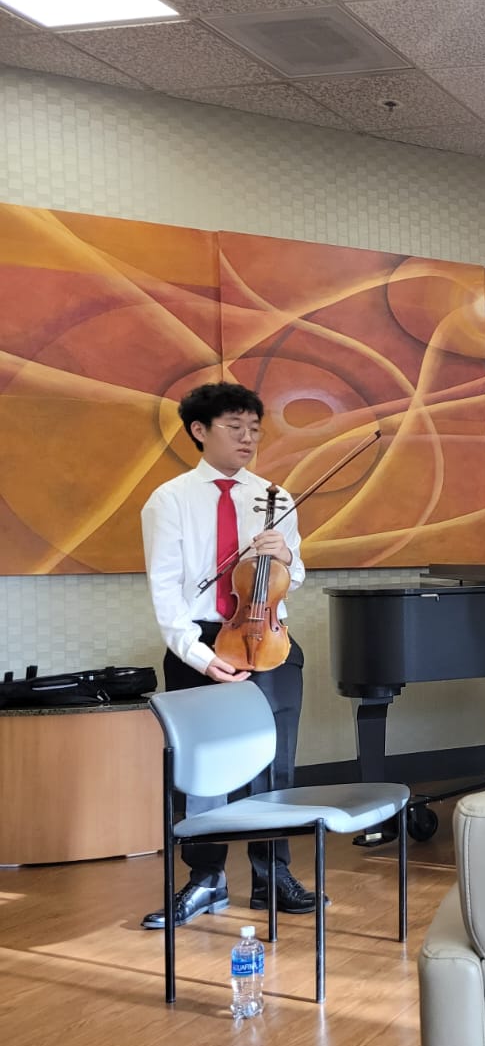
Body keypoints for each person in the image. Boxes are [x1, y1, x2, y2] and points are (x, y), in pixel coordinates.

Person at [139, 382, 318, 930]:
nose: (248, 438)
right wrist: (196, 655)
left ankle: (272, 874)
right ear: (199, 430)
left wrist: (286, 555)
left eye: (255, 429)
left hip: (269, 637)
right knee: (202, 767)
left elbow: (294, 576)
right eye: (234, 427)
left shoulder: (275, 497)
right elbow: (164, 589)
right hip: (201, 639)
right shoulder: (169, 500)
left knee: (276, 762)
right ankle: (205, 879)